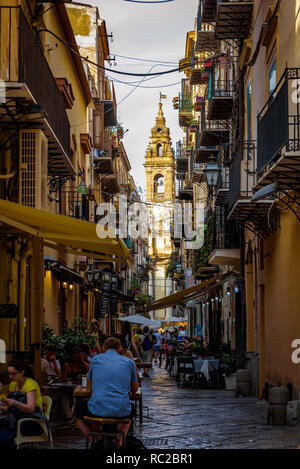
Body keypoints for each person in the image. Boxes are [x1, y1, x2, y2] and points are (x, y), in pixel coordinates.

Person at [75, 337, 138, 447]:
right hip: (121, 409)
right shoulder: (129, 362)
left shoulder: (95, 360)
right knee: (131, 411)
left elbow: (90, 388)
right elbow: (135, 388)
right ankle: (120, 439)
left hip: (97, 409)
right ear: (120, 349)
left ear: (103, 349)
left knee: (76, 410)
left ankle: (95, 439)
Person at [0, 359, 44, 448]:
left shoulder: (30, 384)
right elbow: (11, 408)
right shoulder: (13, 384)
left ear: (22, 372)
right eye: (9, 373)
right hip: (17, 419)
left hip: (31, 422)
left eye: (14, 374)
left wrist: (15, 403)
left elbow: (30, 408)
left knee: (3, 437)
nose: (11, 377)